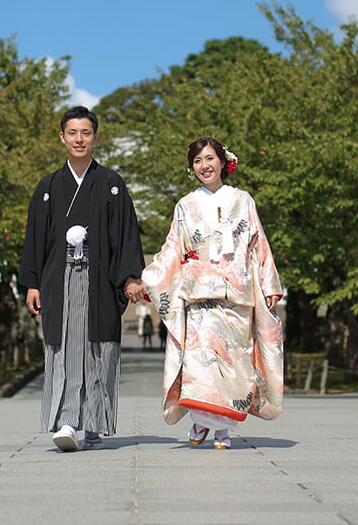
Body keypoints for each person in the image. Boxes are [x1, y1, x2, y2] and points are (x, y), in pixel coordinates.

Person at [141, 138, 284, 450]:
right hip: (200, 295)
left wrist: (270, 284)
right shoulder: (184, 206)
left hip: (237, 295)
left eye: (209, 159)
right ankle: (205, 420)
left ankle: (221, 430)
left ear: (223, 161)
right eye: (197, 161)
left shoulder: (243, 200)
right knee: (201, 362)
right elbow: (172, 248)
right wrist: (149, 277)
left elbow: (259, 244)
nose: (204, 166)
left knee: (234, 364)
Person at [19, 106, 146, 452]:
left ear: (95, 137)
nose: (79, 139)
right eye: (72, 133)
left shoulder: (111, 184)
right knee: (65, 348)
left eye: (85, 133)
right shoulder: (47, 187)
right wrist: (32, 282)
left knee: (97, 349)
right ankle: (67, 421)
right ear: (62, 137)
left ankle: (94, 424)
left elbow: (125, 236)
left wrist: (130, 278)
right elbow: (35, 238)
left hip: (99, 279)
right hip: (59, 281)